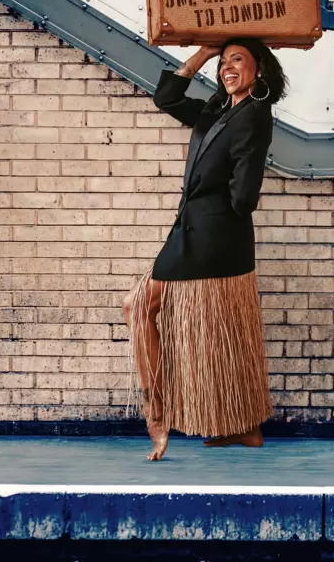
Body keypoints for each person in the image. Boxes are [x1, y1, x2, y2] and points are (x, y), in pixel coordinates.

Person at [122, 37, 289, 460]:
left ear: (260, 70)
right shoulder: (218, 110)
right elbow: (167, 98)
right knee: (220, 330)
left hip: (210, 236)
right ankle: (245, 428)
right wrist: (203, 53)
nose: (227, 68)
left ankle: (156, 414)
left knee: (138, 306)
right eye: (224, 62)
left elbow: (244, 195)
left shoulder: (254, 115)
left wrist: (216, 208)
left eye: (238, 60)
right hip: (196, 231)